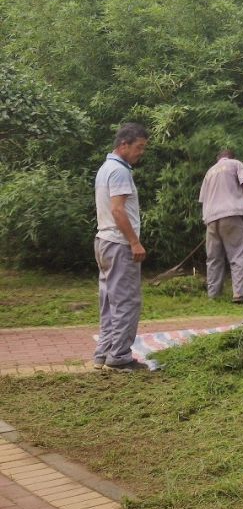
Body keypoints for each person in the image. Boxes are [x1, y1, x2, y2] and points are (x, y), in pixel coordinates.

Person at [93, 122, 151, 373]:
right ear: (123, 145)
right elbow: (118, 210)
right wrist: (134, 241)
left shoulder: (106, 168)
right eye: (139, 147)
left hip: (104, 242)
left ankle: (104, 352)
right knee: (126, 301)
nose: (141, 152)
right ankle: (119, 356)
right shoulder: (119, 171)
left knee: (109, 300)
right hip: (118, 244)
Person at [198, 149, 243, 303]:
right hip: (231, 214)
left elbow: (203, 199)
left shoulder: (209, 172)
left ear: (218, 159)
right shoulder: (235, 164)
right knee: (237, 254)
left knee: (214, 258)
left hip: (211, 218)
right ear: (231, 157)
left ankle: (213, 295)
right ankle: (239, 294)